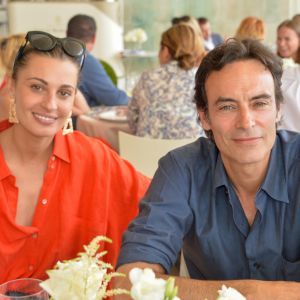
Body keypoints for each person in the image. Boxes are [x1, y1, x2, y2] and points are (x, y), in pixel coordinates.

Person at [115, 39, 300, 299]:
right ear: (204, 117)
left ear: (279, 109)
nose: (246, 122)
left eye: (260, 103)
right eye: (227, 106)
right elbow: (127, 283)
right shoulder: (182, 169)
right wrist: (248, 293)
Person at [0, 30, 150, 284]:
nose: (50, 104)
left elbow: (162, 201)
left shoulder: (94, 159)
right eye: (37, 87)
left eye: (64, 93)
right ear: (12, 86)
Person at [127, 23, 205, 139]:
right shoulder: (201, 78)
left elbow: (132, 120)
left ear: (166, 51)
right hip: (192, 153)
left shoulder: (147, 77)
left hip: (146, 153)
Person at [67, 14, 128, 107]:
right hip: (77, 119)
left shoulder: (55, 55)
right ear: (94, 37)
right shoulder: (85, 60)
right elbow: (114, 99)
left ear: (67, 33)